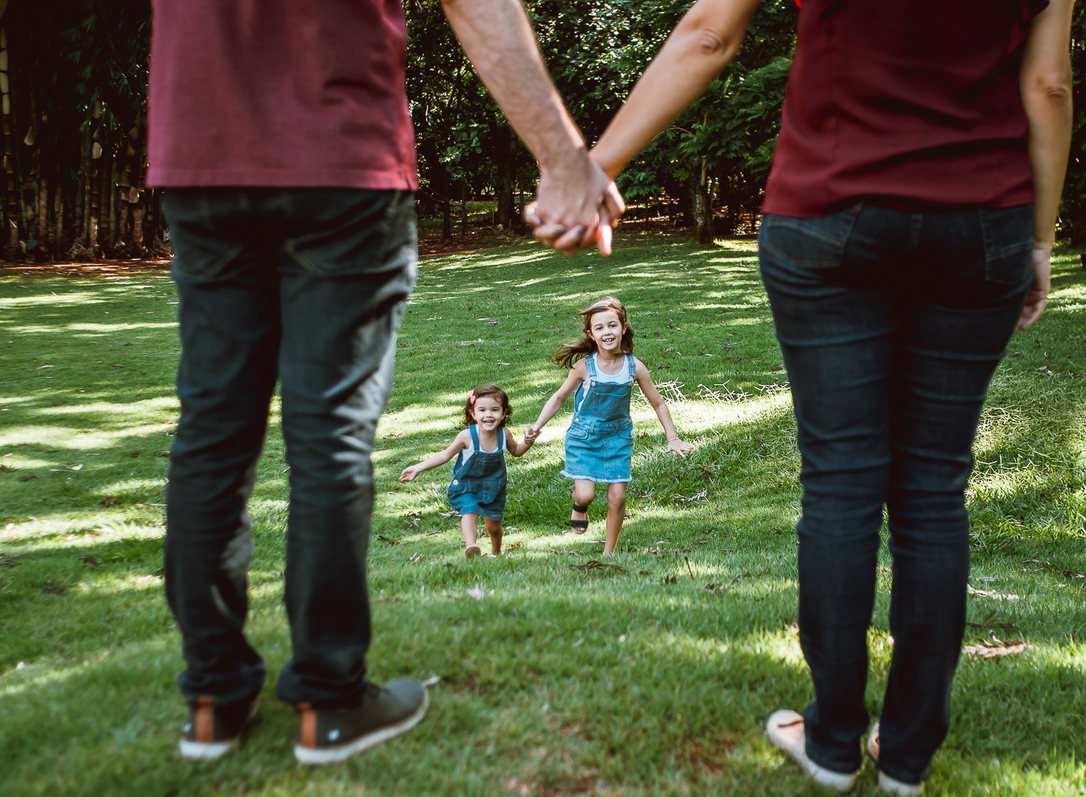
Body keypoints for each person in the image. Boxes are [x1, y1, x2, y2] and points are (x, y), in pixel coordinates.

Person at [571, 0, 1074, 793]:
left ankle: (835, 741)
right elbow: (1047, 84)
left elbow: (709, 33)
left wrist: (594, 167)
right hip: (981, 223)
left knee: (841, 481)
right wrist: (1038, 239)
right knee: (933, 490)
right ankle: (906, 757)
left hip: (830, 214)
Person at [149, 0, 624, 765]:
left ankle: (212, 700)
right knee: (328, 435)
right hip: (337, 156)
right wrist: (562, 157)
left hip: (202, 150)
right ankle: (329, 703)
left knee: (210, 431)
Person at [525, 297, 692, 554]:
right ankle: (579, 506)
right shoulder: (583, 367)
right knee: (585, 495)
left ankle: (609, 551)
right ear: (591, 335)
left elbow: (658, 403)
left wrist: (673, 438)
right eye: (599, 328)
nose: (607, 332)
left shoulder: (635, 367)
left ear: (623, 328)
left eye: (612, 325)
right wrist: (536, 426)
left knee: (618, 497)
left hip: (618, 438)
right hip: (584, 437)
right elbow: (559, 397)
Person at [400, 385, 531, 557]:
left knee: (494, 527)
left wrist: (528, 442)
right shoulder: (467, 436)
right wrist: (418, 467)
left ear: (503, 413)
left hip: (494, 487)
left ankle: (496, 551)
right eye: (482, 410)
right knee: (469, 510)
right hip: (469, 485)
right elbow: (445, 455)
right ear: (473, 414)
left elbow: (516, 451)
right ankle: (471, 546)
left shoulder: (504, 435)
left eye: (494, 410)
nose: (488, 415)